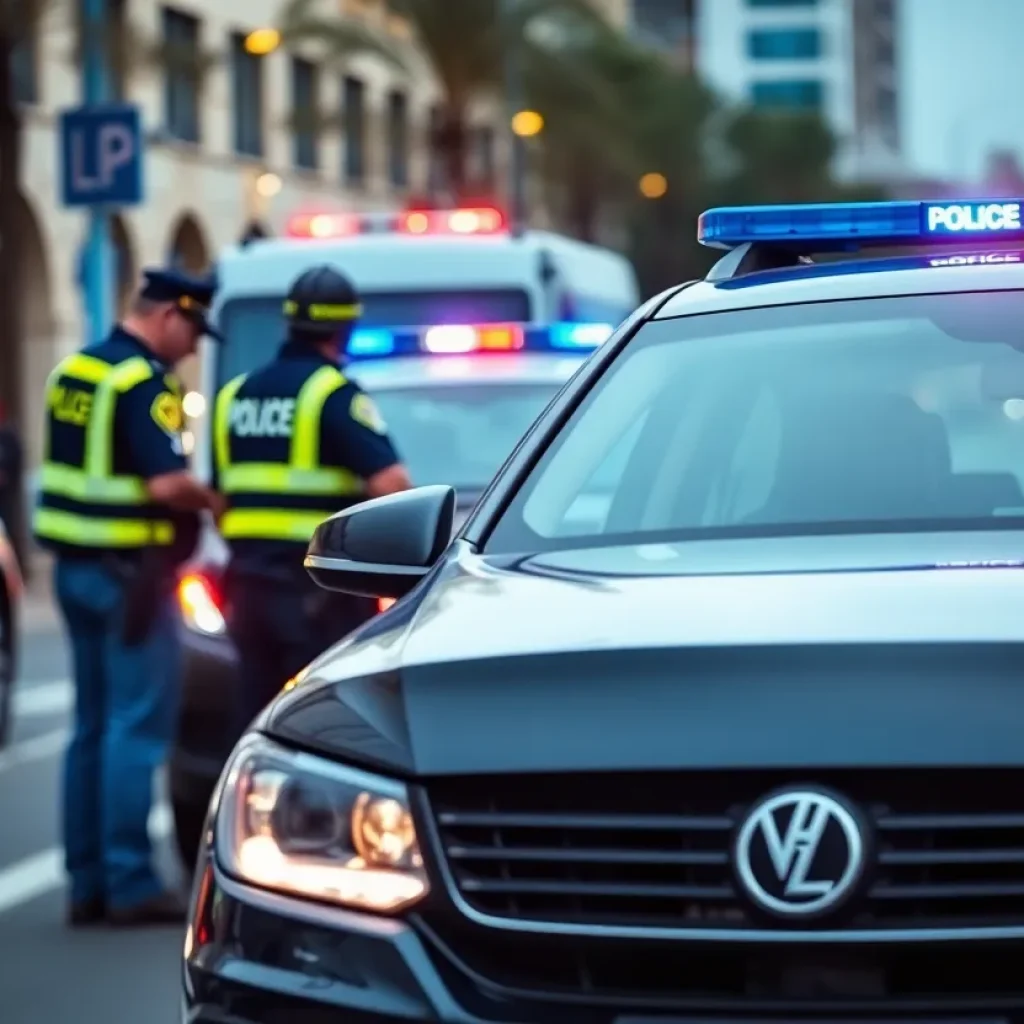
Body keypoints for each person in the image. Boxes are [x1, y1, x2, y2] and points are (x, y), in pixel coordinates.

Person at [33, 268, 224, 927]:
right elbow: (167, 485)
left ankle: (86, 881)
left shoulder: (75, 371)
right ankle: (131, 881)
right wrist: (216, 499)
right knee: (136, 727)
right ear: (170, 313)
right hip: (129, 576)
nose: (195, 346)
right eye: (194, 329)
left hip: (74, 569)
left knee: (90, 726)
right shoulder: (144, 382)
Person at [213, 264, 412, 738]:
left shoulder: (234, 395)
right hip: (314, 594)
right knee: (316, 724)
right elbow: (392, 483)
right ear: (344, 328)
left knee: (255, 719)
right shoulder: (332, 395)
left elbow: (221, 499)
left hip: (246, 588)